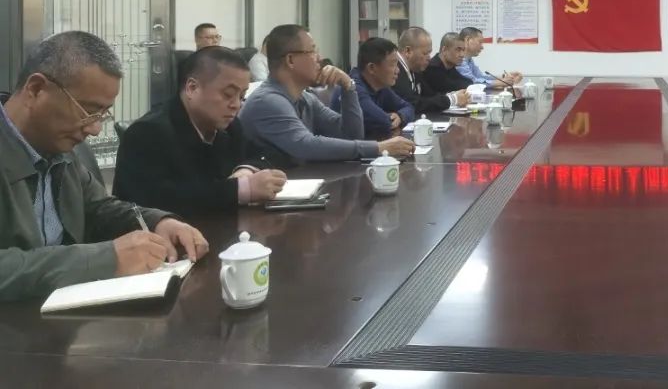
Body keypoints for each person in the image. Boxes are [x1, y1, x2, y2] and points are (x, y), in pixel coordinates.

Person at [0, 31, 208, 301]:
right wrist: (103, 259)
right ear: (36, 89)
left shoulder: (61, 147)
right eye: (88, 111)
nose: (95, 129)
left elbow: (99, 208)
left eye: (102, 114)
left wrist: (158, 222)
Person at [113, 46, 287, 216]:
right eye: (228, 94)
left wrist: (246, 171)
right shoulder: (147, 133)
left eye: (241, 96)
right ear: (192, 88)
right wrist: (243, 189)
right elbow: (159, 201)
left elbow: (268, 153)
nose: (236, 105)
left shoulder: (230, 126)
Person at [238, 24, 413, 164]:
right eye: (312, 51)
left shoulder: (305, 98)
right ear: (290, 60)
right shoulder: (268, 101)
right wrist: (379, 148)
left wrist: (349, 88)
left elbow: (351, 134)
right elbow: (307, 145)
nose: (319, 58)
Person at [332, 38, 416, 139]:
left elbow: (409, 107)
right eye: (392, 64)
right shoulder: (353, 88)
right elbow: (384, 122)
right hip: (347, 147)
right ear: (372, 68)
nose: (397, 70)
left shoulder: (380, 86)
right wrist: (390, 118)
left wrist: (400, 116)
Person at [393, 27, 470, 115]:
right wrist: (452, 99)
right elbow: (413, 103)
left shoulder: (415, 70)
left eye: (429, 53)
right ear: (408, 51)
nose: (429, 58)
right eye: (425, 53)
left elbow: (430, 95)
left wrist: (452, 95)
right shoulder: (395, 70)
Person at [456, 27, 522, 88]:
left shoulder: (469, 59)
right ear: (467, 40)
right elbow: (471, 82)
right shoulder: (459, 59)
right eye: (480, 42)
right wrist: (501, 82)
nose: (482, 47)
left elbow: (480, 76)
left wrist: (504, 76)